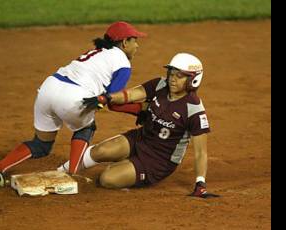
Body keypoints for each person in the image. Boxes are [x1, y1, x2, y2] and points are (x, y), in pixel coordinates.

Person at [0, 21, 147, 186]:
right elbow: (114, 101)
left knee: (41, 145)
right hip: (73, 96)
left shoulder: (97, 52)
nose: (137, 46)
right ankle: (72, 174)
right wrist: (139, 110)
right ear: (125, 42)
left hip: (48, 89)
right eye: (135, 40)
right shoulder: (123, 63)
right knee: (86, 128)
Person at [58, 53, 219, 198]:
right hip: (141, 138)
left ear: (193, 80)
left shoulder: (194, 111)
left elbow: (200, 152)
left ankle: (128, 166)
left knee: (106, 179)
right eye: (171, 73)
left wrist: (200, 184)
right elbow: (131, 95)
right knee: (101, 151)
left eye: (179, 76)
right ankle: (61, 172)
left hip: (158, 161)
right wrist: (106, 98)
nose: (172, 78)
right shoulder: (160, 85)